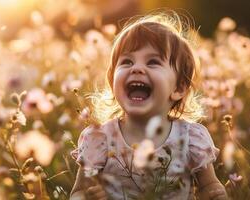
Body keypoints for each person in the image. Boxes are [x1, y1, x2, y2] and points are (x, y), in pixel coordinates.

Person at [70, 11, 228, 200]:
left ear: (179, 87)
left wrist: (214, 193)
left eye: (153, 62)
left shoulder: (190, 138)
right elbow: (78, 191)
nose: (136, 68)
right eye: (127, 61)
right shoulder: (99, 139)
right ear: (112, 82)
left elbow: (209, 185)